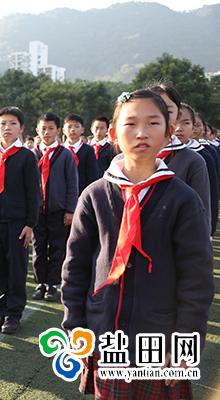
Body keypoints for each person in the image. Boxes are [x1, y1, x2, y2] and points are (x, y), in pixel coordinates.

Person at [61, 89, 214, 399]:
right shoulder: (94, 195)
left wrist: (185, 343)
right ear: (113, 133)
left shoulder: (183, 199)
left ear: (169, 132)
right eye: (130, 124)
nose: (142, 133)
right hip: (106, 335)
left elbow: (197, 278)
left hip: (161, 340)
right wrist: (75, 329)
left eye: (153, 123)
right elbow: (75, 268)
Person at [0, 107, 40, 334]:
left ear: (21, 128)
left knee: (16, 269)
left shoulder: (26, 157)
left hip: (17, 224)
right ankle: (0, 312)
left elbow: (34, 193)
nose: (7, 128)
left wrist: (30, 224)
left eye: (13, 123)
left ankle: (13, 314)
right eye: (2, 123)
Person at [147, 80, 211, 235]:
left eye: (168, 111)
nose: (160, 116)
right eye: (153, 109)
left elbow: (201, 214)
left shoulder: (193, 161)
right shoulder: (123, 160)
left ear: (178, 116)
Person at [31, 112, 79, 301]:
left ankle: (53, 284)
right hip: (37, 211)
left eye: (51, 128)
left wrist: (70, 210)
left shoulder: (65, 155)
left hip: (58, 211)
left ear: (58, 131)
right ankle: (41, 283)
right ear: (37, 130)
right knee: (38, 248)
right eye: (43, 128)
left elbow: (72, 184)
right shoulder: (32, 155)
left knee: (58, 248)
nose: (47, 132)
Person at [179, 104, 219, 237]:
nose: (179, 128)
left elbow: (211, 196)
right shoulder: (155, 154)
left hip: (191, 224)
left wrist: (209, 231)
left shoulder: (205, 155)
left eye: (186, 123)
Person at [62, 114, 99, 194]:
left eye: (76, 126)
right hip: (62, 193)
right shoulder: (60, 150)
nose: (73, 130)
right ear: (63, 130)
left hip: (83, 192)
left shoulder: (88, 150)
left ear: (82, 130)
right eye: (69, 127)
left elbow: (92, 175)